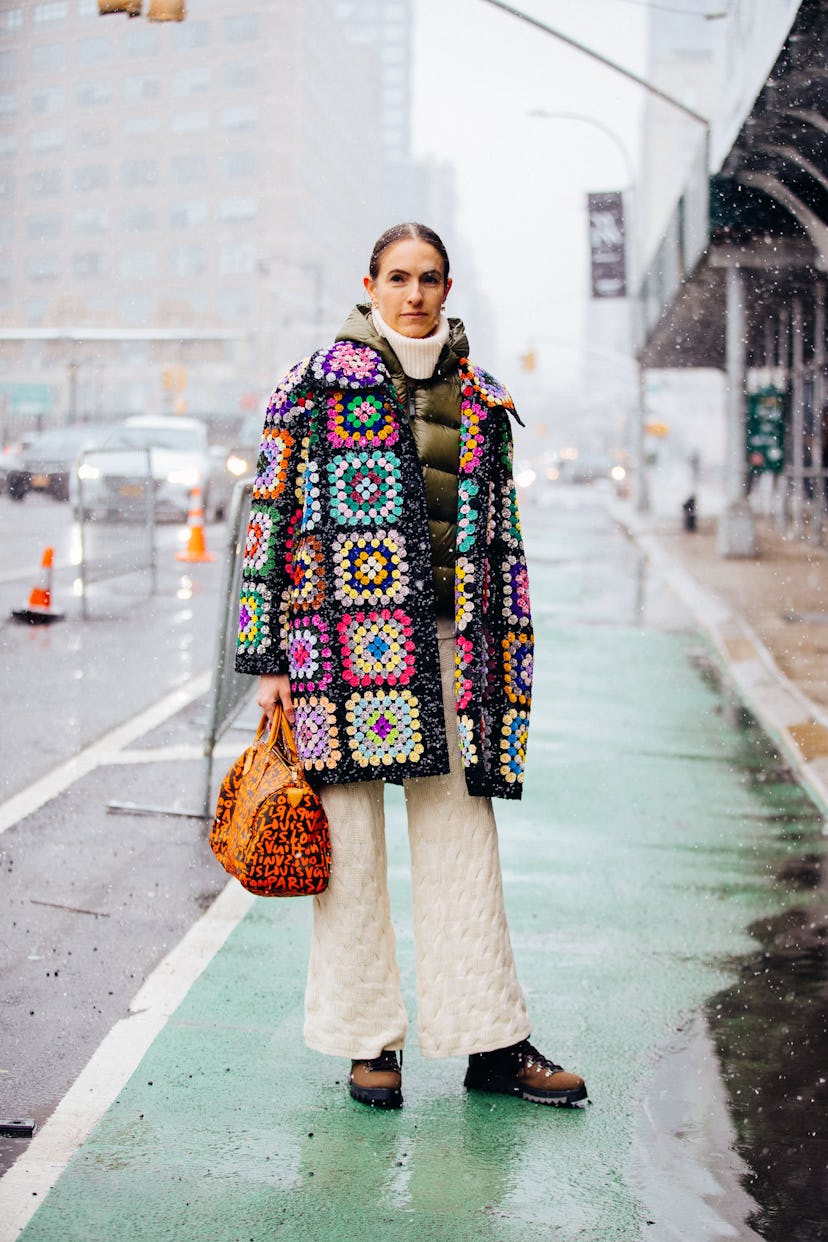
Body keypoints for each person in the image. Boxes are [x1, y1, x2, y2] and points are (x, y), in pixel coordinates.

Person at [235, 222, 587, 1110]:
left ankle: (491, 1041)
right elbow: (267, 515)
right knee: (349, 849)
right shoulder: (313, 385)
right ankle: (368, 1045)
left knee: (464, 841)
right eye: (399, 277)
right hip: (335, 649)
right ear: (371, 283)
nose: (415, 294)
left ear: (448, 286)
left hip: (448, 653)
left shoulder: (481, 399)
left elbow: (500, 539)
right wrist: (265, 652)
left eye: (429, 278)